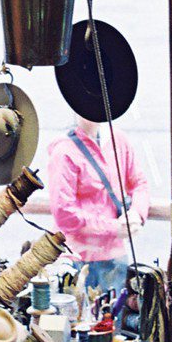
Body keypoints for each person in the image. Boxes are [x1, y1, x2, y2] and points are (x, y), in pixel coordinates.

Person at [46, 115, 148, 294]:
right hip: (77, 258)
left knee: (114, 317)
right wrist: (114, 228)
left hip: (115, 256)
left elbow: (139, 183)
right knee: (79, 317)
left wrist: (137, 214)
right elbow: (64, 213)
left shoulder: (119, 141)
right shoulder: (64, 151)